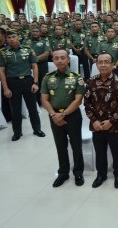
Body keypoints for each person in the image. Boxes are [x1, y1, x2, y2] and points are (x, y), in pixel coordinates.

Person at [41, 49, 85, 187]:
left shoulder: (77, 77)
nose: (59, 60)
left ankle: (78, 172)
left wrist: (64, 114)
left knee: (76, 145)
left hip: (72, 116)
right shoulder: (48, 77)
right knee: (60, 145)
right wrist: (54, 114)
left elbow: (78, 100)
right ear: (53, 60)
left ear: (68, 59)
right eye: (56, 58)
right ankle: (63, 173)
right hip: (54, 116)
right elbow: (44, 99)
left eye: (62, 58)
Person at [84, 53, 118, 188]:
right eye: (100, 62)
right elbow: (87, 104)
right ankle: (101, 174)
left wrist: (111, 121)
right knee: (100, 151)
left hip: (114, 125)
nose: (103, 65)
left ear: (112, 64)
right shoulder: (90, 82)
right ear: (96, 64)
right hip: (97, 125)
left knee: (116, 151)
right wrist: (94, 121)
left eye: (106, 62)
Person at [0, 29, 45, 141]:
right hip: (13, 83)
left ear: (18, 37)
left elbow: (34, 67)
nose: (11, 39)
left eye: (13, 36)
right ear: (6, 39)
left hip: (28, 81)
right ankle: (17, 132)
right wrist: (5, 88)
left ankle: (37, 129)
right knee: (15, 110)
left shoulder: (28, 50)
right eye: (9, 37)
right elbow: (1, 71)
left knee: (32, 108)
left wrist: (36, 83)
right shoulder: (3, 52)